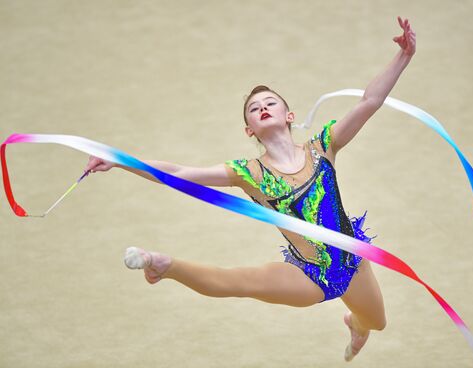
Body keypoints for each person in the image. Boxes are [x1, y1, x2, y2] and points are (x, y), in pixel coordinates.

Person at [85, 16, 416, 362]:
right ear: (250, 131)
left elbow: (368, 102)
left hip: (352, 258)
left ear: (289, 115)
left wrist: (403, 56)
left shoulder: (322, 147)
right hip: (307, 273)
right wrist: (120, 160)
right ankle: (164, 265)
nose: (263, 108)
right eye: (254, 109)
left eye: (271, 103)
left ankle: (356, 325)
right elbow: (180, 173)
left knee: (376, 322)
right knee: (239, 282)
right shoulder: (249, 173)